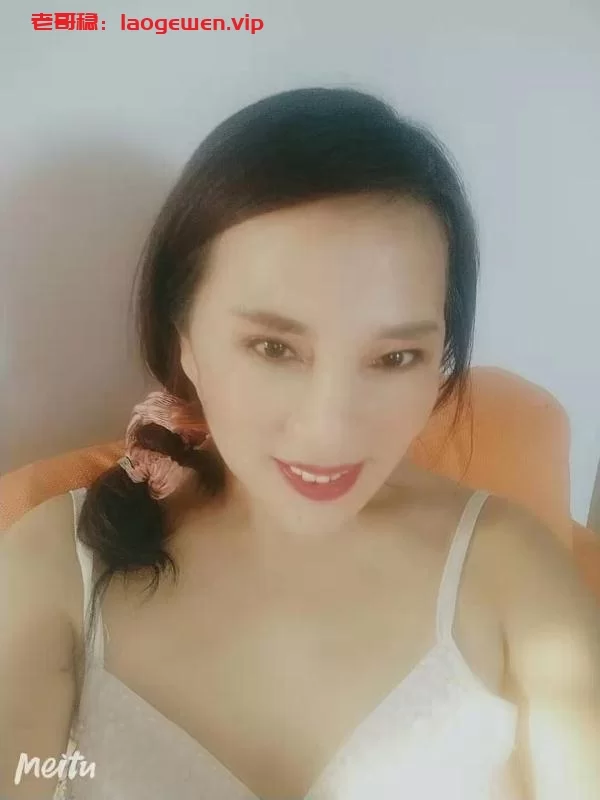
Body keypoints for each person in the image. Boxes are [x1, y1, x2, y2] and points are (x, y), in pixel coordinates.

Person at [1, 87, 599, 800]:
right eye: (274, 348)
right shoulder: (52, 568)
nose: (330, 429)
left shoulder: (514, 573)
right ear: (183, 339)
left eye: (394, 357)